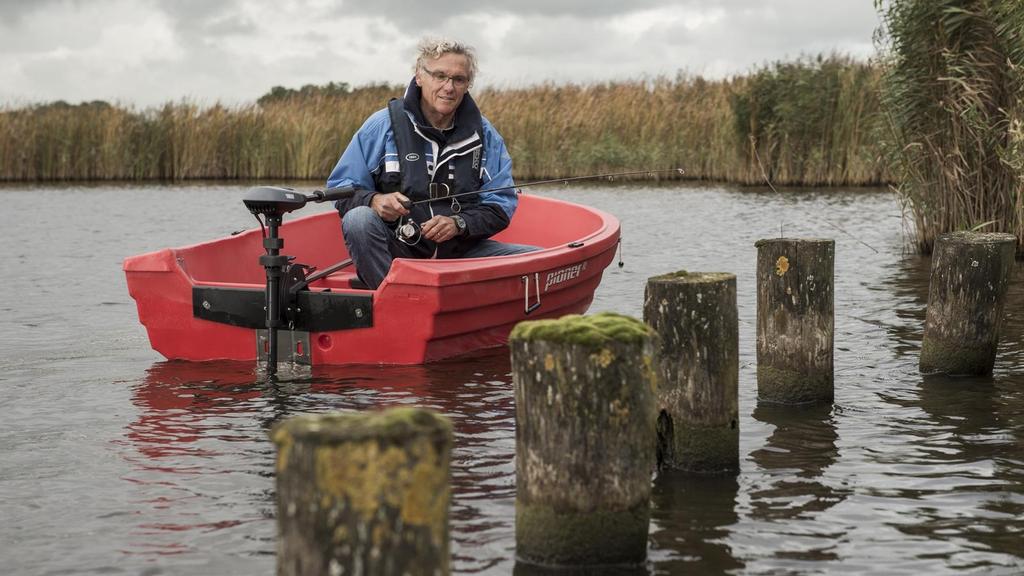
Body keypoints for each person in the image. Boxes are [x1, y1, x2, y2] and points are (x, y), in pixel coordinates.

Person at [326, 37, 538, 289]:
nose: (449, 87)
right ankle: (393, 303)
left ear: (467, 84)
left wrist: (459, 224)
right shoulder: (381, 126)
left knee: (542, 259)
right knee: (358, 219)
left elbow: (501, 207)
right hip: (397, 255)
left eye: (458, 79)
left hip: (462, 256)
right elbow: (340, 188)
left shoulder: (486, 135)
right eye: (439, 76)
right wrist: (374, 200)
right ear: (419, 76)